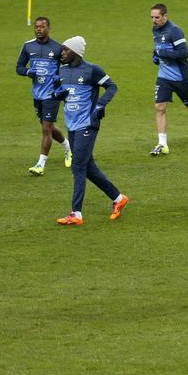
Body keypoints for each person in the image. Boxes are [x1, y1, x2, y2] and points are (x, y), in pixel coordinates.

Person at [53, 36, 129, 226]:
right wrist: (58, 93)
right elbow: (59, 93)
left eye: (65, 50)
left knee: (77, 166)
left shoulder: (92, 70)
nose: (61, 53)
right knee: (88, 168)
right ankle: (118, 198)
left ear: (76, 52)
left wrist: (100, 105)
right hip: (72, 125)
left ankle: (76, 213)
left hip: (87, 124)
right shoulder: (62, 71)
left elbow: (112, 86)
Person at [150, 3, 188, 155]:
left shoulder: (174, 31)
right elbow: (159, 49)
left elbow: (184, 53)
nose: (154, 20)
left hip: (180, 77)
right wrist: (156, 56)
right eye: (152, 17)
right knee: (159, 107)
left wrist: (163, 53)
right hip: (164, 77)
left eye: (157, 17)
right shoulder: (155, 30)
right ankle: (162, 144)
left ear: (165, 16)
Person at [16, 16, 72, 175]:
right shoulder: (28, 46)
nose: (38, 29)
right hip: (37, 95)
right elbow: (19, 67)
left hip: (52, 95)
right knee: (47, 126)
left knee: (46, 128)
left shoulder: (58, 48)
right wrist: (28, 72)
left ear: (49, 28)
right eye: (36, 27)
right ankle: (68, 147)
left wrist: (59, 81)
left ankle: (41, 164)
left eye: (42, 27)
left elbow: (68, 69)